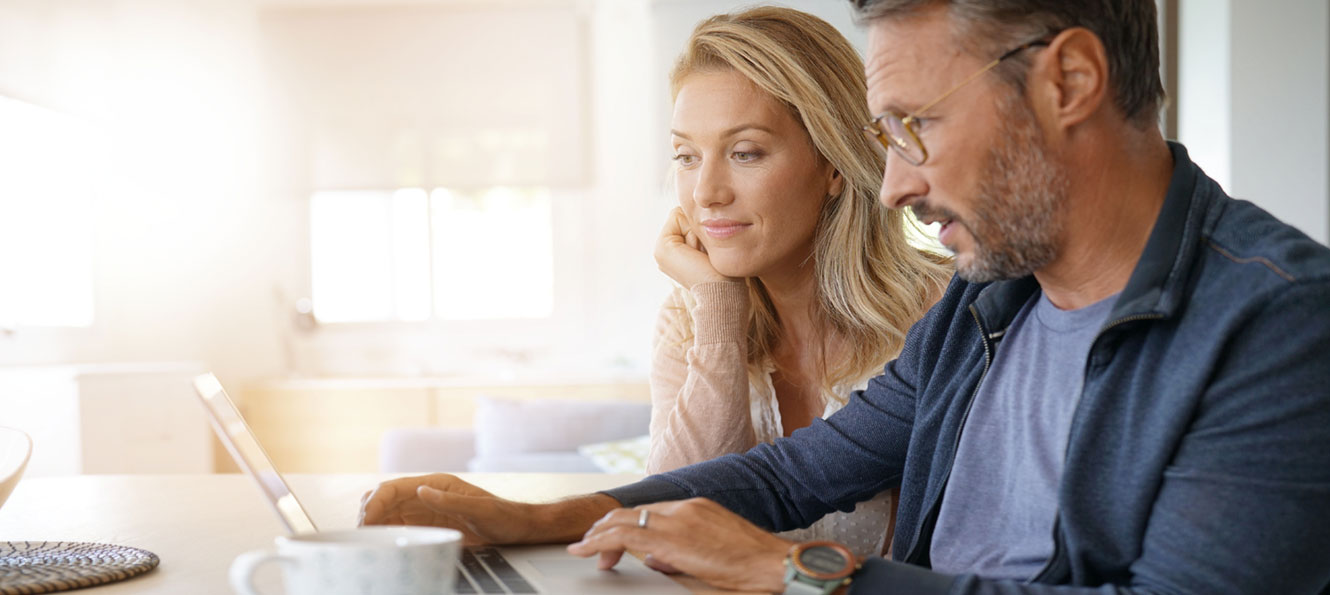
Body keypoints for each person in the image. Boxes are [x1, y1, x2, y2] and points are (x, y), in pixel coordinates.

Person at [360, 0, 1330, 593]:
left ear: (1067, 79)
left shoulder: (1280, 321)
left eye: (915, 125)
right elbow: (792, 477)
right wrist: (535, 517)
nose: (896, 183)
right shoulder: (989, 300)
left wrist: (798, 574)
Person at [647, 7, 950, 558]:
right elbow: (672, 524)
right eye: (687, 157)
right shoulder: (689, 318)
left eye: (745, 153)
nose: (705, 192)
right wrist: (719, 309)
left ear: (833, 164)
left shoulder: (942, 313)